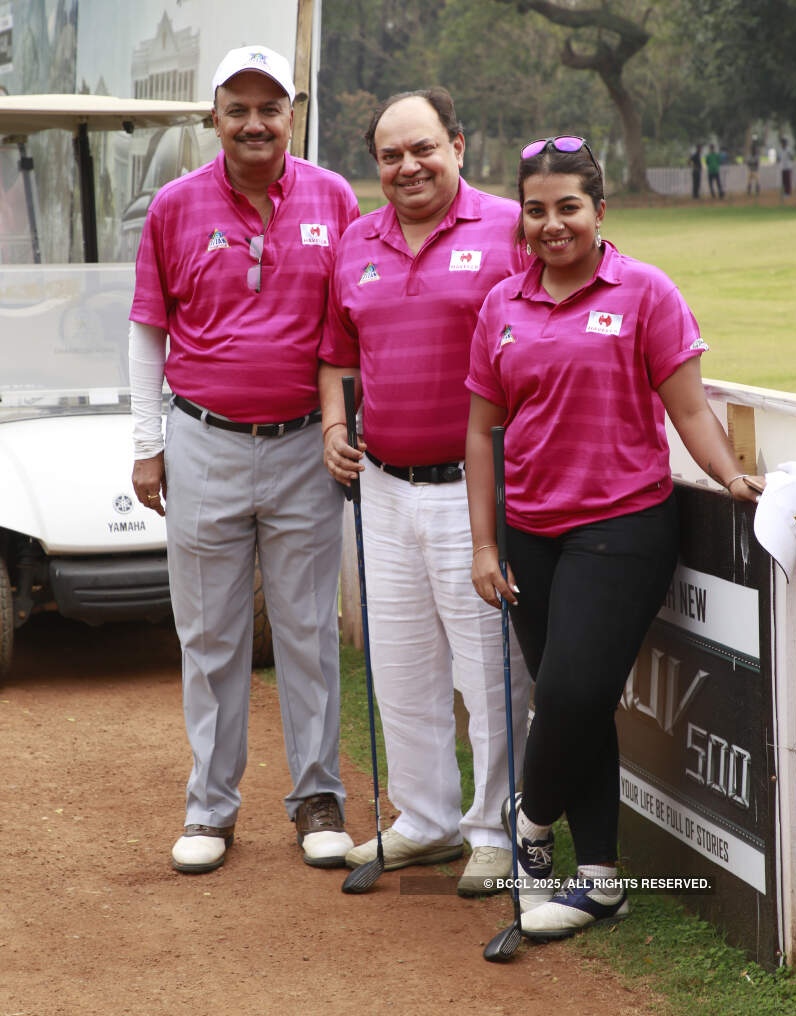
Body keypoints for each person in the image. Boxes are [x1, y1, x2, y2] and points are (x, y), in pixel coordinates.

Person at [465, 136, 762, 938]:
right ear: (521, 219)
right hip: (529, 532)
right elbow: (482, 432)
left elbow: (689, 408)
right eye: (537, 210)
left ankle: (529, 824)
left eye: (569, 207)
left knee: (568, 694)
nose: (552, 224)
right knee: (579, 706)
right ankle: (598, 878)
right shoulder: (501, 304)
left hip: (622, 524)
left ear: (600, 210)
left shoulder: (645, 291)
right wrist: (485, 546)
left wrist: (731, 475)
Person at [129, 45, 360, 874]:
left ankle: (317, 795)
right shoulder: (175, 205)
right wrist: (147, 444)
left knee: (306, 631)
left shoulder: (334, 196)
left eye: (271, 108)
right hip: (202, 440)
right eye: (238, 108)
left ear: (291, 114)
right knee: (211, 634)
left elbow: (353, 322)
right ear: (214, 118)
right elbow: (148, 331)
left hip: (305, 445)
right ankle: (211, 808)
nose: (255, 123)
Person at [317, 87, 531, 896]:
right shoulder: (355, 242)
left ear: (459, 145)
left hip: (473, 490)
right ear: (375, 165)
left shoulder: (509, 227)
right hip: (382, 485)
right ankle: (426, 819)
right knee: (401, 666)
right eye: (390, 155)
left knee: (487, 671)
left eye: (423, 149)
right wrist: (334, 430)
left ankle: (495, 828)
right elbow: (336, 354)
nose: (408, 167)